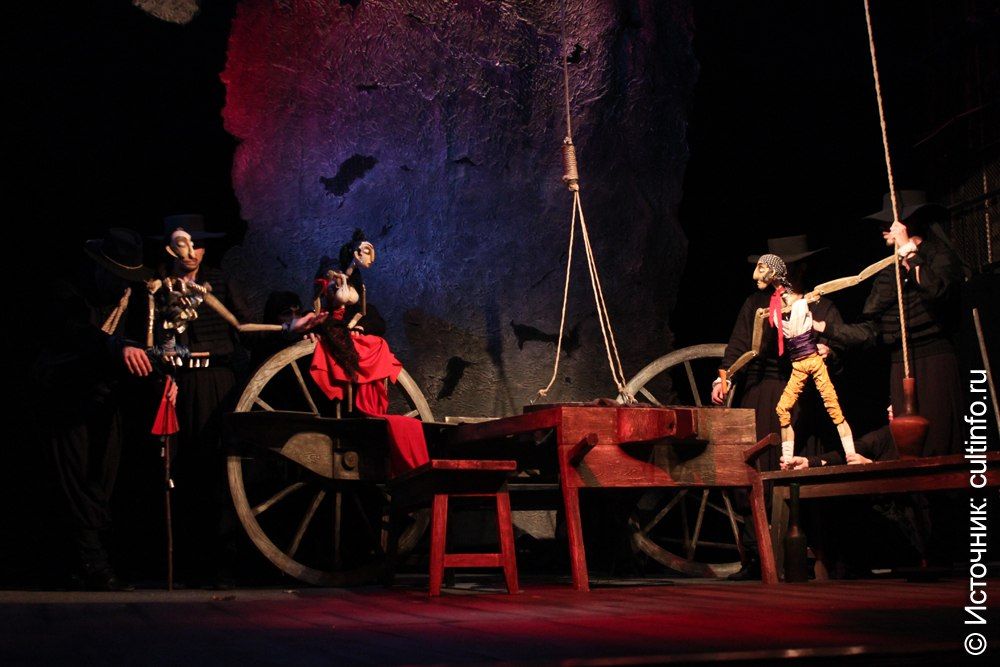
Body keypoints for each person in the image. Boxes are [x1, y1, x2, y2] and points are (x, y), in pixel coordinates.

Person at [31, 228, 162, 590]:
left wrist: (161, 376)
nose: (123, 284)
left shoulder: (129, 297)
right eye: (117, 275)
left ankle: (84, 560)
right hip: (65, 397)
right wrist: (116, 347)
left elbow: (142, 343)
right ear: (100, 268)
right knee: (75, 481)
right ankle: (93, 563)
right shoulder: (67, 292)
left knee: (101, 480)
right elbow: (75, 332)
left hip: (103, 399)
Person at [711, 235, 845, 580]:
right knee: (754, 473)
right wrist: (723, 378)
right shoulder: (756, 303)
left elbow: (839, 342)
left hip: (802, 394)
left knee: (799, 467)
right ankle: (757, 556)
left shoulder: (818, 303)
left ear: (800, 268)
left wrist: (828, 350)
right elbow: (738, 346)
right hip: (760, 391)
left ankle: (808, 553)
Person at [813, 191, 963, 457]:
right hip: (900, 365)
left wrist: (909, 252)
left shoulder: (937, 255)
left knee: (938, 442)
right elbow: (871, 331)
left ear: (907, 223)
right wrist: (823, 327)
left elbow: (936, 291)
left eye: (888, 223)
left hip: (934, 362)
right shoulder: (888, 272)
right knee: (908, 447)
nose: (883, 229)